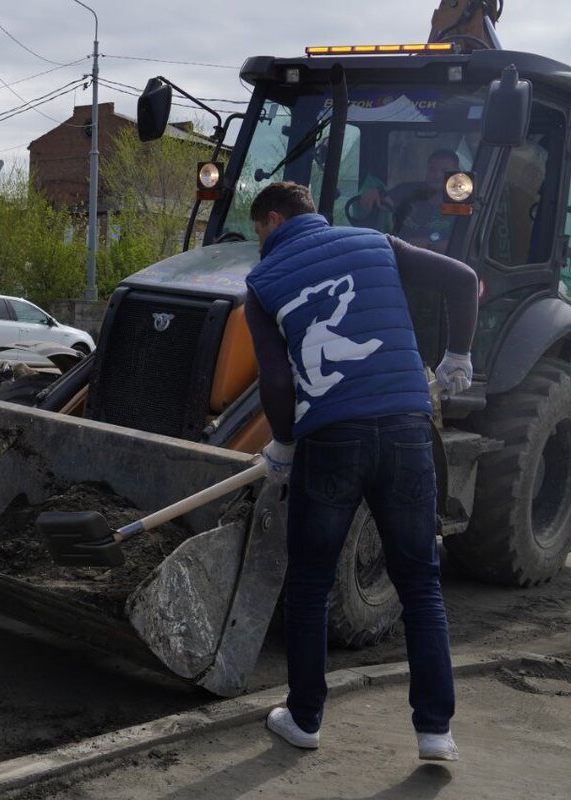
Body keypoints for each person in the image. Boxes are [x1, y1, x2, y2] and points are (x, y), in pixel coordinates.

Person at [243, 182, 478, 762]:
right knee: (420, 584)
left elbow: (275, 382)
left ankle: (303, 719)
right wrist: (458, 355)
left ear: (272, 220)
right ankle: (435, 732)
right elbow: (464, 280)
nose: (258, 246)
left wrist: (283, 444)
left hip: (333, 436)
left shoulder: (262, 284)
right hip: (406, 431)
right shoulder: (375, 241)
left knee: (310, 583)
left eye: (257, 234)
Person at [348, 148, 462, 250]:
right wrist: (373, 194)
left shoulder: (463, 203)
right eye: (432, 170)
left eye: (444, 171)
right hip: (398, 256)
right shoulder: (407, 190)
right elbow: (384, 201)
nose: (437, 175)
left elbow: (465, 243)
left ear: (456, 174)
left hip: (445, 263)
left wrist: (427, 243)